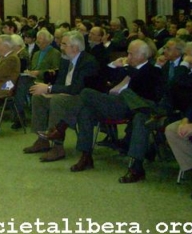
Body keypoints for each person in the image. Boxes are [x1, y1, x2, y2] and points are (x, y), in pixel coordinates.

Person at [69, 39, 162, 183]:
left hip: (134, 107)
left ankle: (62, 125)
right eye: (128, 54)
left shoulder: (152, 70)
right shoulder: (125, 69)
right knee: (86, 110)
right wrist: (113, 65)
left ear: (143, 56)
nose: (128, 57)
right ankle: (86, 155)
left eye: (131, 54)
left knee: (86, 93)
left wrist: (126, 68)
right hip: (114, 105)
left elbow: (144, 89)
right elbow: (100, 76)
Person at [23, 30, 99, 162]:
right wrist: (49, 91)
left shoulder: (88, 62)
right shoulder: (65, 60)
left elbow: (77, 89)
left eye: (64, 44)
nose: (60, 47)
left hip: (82, 99)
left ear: (75, 48)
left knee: (57, 100)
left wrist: (49, 88)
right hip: (66, 95)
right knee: (38, 97)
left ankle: (57, 146)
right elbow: (59, 82)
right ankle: (42, 139)